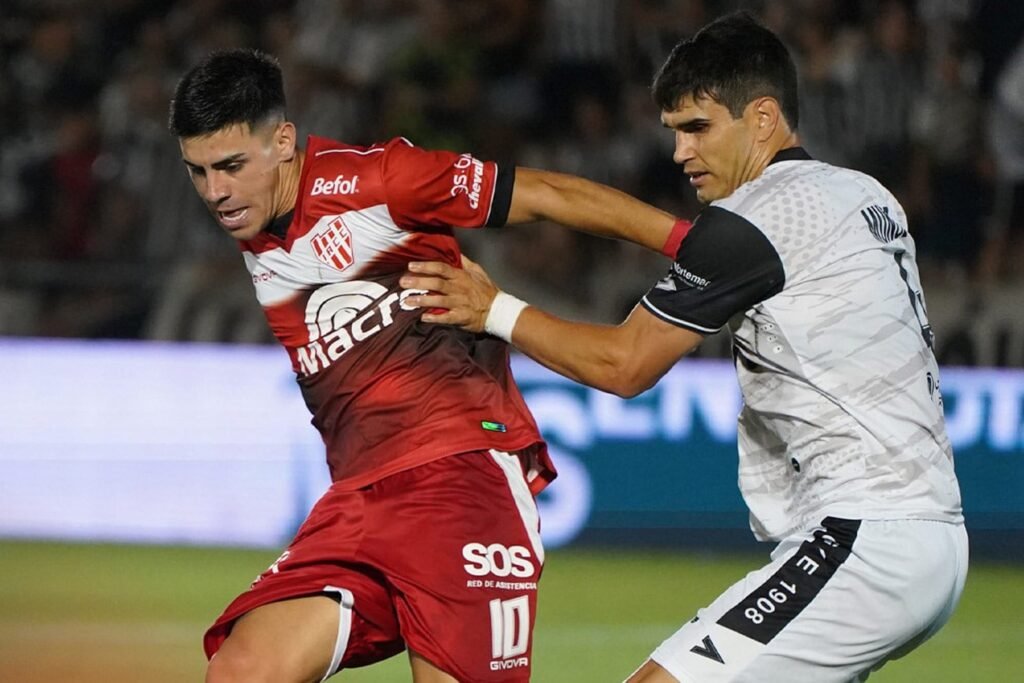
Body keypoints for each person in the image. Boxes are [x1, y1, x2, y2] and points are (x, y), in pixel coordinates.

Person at [401, 12, 968, 683]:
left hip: (866, 539)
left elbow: (624, 364)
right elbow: (752, 270)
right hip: (929, 532)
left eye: (698, 127)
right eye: (673, 131)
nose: (679, 152)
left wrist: (492, 309)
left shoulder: (754, 221)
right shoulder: (866, 195)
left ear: (763, 118)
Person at [168, 48, 675, 683]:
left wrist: (689, 243)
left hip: (459, 480)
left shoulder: (383, 180)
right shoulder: (257, 219)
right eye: (198, 171)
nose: (215, 192)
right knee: (243, 670)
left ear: (284, 142)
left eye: (231, 166)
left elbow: (549, 195)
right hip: (358, 498)